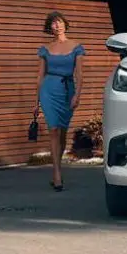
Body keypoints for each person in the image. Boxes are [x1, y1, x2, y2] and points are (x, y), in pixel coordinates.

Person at [34, 11, 86, 192]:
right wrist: (36, 101)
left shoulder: (76, 47)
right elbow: (40, 76)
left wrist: (77, 95)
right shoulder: (45, 49)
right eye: (53, 23)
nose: (57, 25)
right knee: (53, 129)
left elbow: (79, 74)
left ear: (65, 24)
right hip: (48, 89)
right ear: (50, 28)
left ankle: (58, 166)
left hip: (67, 90)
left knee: (62, 131)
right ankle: (56, 173)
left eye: (59, 22)